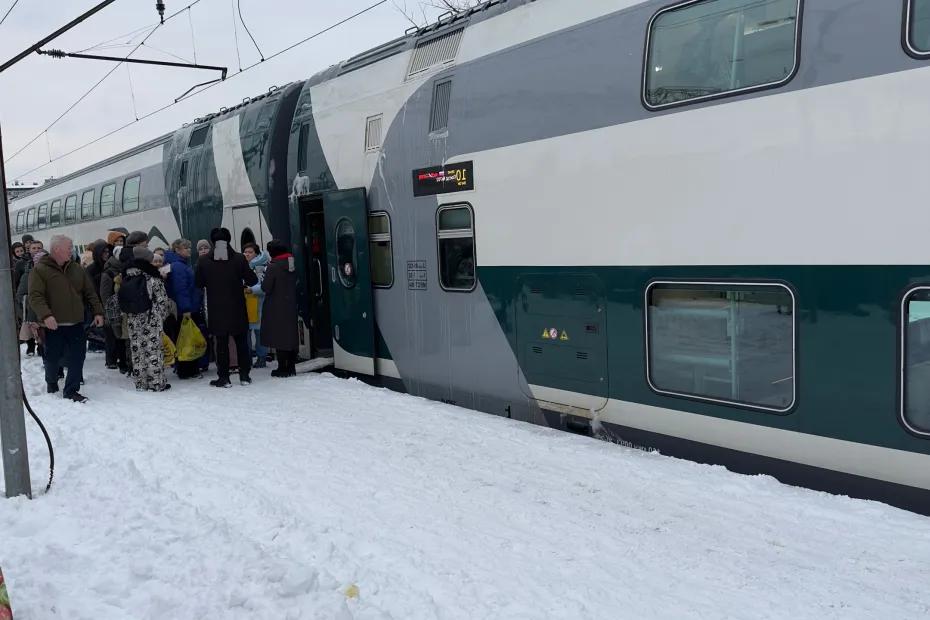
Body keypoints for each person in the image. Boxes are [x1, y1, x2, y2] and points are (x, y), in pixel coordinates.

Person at [28, 235, 104, 403]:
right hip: (53, 324)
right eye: (69, 247)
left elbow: (90, 292)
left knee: (78, 356)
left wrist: (98, 312)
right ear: (57, 249)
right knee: (52, 357)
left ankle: (71, 390)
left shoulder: (77, 269)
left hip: (76, 322)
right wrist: (46, 315)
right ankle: (51, 381)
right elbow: (35, 296)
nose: (72, 250)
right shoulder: (40, 270)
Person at [194, 228, 257, 387]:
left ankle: (224, 377)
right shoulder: (238, 258)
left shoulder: (203, 261)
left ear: (213, 241)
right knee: (241, 342)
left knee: (221, 343)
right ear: (228, 239)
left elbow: (198, 284)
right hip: (237, 306)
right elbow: (252, 280)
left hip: (217, 308)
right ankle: (244, 376)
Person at [123, 246, 172, 392]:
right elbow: (163, 301)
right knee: (153, 351)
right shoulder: (152, 277)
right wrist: (160, 317)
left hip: (133, 321)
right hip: (151, 319)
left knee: (138, 350)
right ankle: (156, 383)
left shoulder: (127, 276)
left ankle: (141, 383)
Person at [164, 239, 203, 379]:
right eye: (185, 248)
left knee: (184, 338)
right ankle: (187, 370)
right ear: (177, 250)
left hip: (185, 308)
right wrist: (186, 308)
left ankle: (186, 369)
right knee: (187, 340)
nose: (188, 250)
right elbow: (181, 290)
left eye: (189, 247)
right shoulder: (179, 267)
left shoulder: (177, 265)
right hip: (186, 310)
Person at [261, 240, 300, 378]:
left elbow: (266, 287)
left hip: (276, 306)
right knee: (290, 335)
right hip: (290, 305)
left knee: (279, 336)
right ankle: (291, 367)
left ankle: (282, 368)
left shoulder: (273, 267)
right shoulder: (292, 263)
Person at [241, 242, 269, 368]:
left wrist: (251, 289)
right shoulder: (243, 265)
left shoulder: (261, 266)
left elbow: (264, 286)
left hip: (259, 304)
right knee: (246, 331)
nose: (247, 254)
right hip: (246, 303)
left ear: (256, 253)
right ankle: (246, 357)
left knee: (259, 332)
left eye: (250, 252)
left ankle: (261, 357)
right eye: (245, 252)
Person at [17, 240, 44, 356]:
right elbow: (18, 285)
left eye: (39, 248)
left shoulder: (51, 263)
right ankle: (32, 345)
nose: (37, 250)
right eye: (34, 248)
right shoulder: (24, 266)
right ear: (29, 250)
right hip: (32, 305)